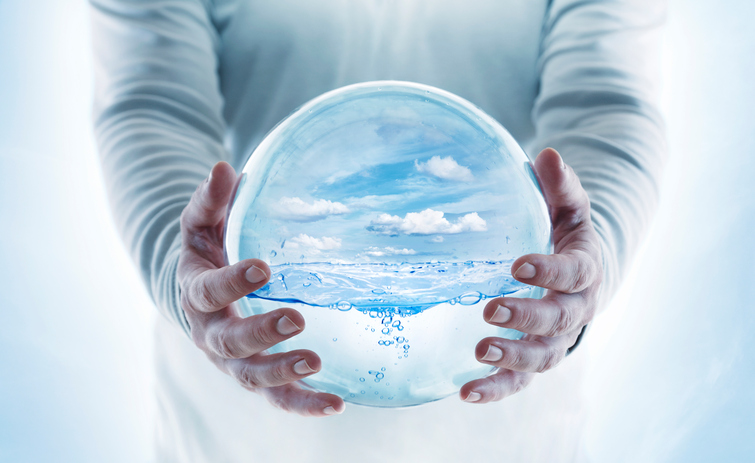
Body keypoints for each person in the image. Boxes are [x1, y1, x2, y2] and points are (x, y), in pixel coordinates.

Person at [90, 0, 666, 461]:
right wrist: (182, 272)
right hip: (245, 401)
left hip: (501, 410)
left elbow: (607, 99)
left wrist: (589, 259)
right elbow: (152, 99)